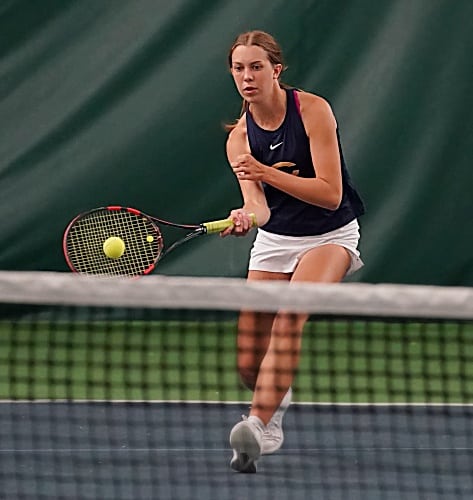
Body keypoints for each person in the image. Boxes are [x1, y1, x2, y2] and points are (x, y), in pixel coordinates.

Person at [220, 30, 365, 473]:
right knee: (249, 362)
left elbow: (330, 194)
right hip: (275, 240)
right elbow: (260, 208)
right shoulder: (239, 140)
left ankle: (256, 426)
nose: (247, 76)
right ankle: (275, 402)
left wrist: (266, 172)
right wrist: (246, 216)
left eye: (256, 67)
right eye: (239, 68)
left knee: (290, 317)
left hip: (330, 235)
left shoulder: (313, 110)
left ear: (276, 70)